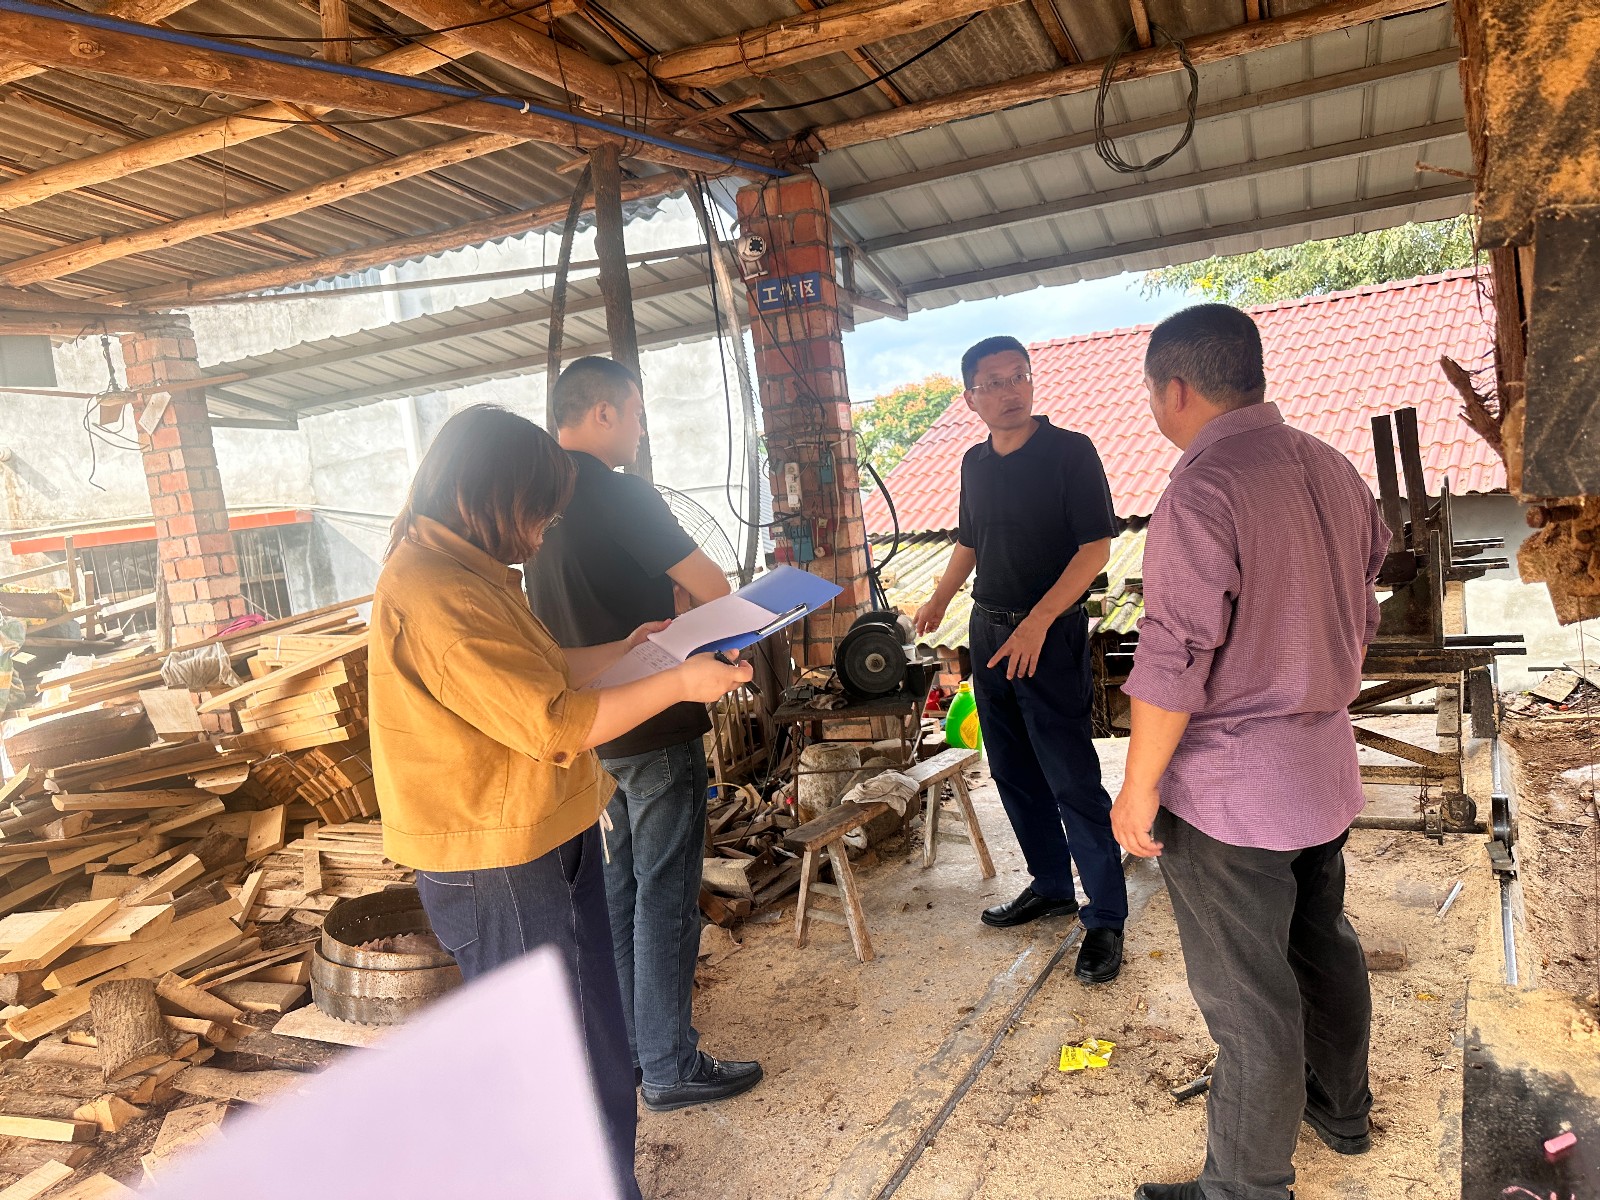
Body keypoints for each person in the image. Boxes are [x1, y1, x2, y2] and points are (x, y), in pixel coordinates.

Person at [369, 404, 752, 1200]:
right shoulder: (435, 591)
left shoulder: (470, 572)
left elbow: (545, 671)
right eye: (537, 514)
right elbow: (553, 723)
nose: (541, 535)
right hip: (497, 862)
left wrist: (636, 648)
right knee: (557, 1062)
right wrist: (680, 681)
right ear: (485, 495)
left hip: (543, 832)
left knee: (593, 1036)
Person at [1110, 306, 1392, 1200]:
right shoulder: (1333, 467)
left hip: (1231, 793)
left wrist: (1137, 789)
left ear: (1176, 389)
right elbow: (1365, 595)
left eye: (1151, 392)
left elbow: (1174, 658)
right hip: (1321, 772)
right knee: (1323, 944)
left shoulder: (1202, 492)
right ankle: (1341, 1110)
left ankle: (1244, 1187)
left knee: (1248, 1000)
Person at [525, 357, 764, 1112]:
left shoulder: (535, 500)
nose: (638, 427)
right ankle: (669, 1063)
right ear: (602, 412)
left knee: (624, 887)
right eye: (633, 412)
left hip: (589, 722)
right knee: (665, 893)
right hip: (656, 714)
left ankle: (632, 1049)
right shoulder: (620, 493)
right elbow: (713, 586)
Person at [914, 335, 1129, 985]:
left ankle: (1106, 915)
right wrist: (939, 598)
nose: (1011, 392)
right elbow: (970, 540)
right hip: (988, 630)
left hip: (1050, 634)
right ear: (970, 398)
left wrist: (1038, 622)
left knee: (1070, 775)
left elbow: (1095, 549)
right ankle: (1050, 884)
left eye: (1019, 377)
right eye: (994, 382)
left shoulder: (1070, 452)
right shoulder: (975, 463)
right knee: (1011, 770)